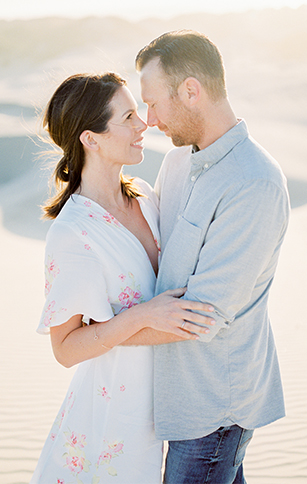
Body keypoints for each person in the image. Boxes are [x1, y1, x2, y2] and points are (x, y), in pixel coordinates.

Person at [30, 72, 216, 484]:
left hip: (176, 406)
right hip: (114, 419)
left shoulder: (147, 198)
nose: (143, 124)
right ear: (90, 139)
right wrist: (143, 316)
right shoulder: (73, 231)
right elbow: (65, 349)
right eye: (128, 116)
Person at [130, 30, 290, 484]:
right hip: (177, 402)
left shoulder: (254, 182)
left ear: (191, 91)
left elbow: (200, 317)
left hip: (216, 411)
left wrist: (101, 335)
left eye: (154, 103)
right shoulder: (176, 163)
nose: (150, 119)